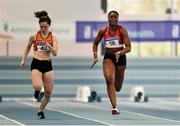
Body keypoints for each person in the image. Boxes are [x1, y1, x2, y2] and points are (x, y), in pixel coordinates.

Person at [20, 10, 58, 119]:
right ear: (39, 26)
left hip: (47, 64)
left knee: (48, 93)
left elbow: (55, 53)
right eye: (41, 26)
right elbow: (27, 48)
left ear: (49, 26)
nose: (43, 28)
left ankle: (40, 110)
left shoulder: (53, 37)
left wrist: (49, 46)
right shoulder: (34, 36)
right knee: (37, 86)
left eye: (45, 26)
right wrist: (23, 59)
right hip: (36, 62)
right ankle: (37, 91)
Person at [91, 10, 131, 115]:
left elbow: (129, 47)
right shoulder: (103, 31)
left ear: (118, 19)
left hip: (121, 58)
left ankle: (114, 91)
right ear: (108, 18)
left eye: (115, 17)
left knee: (117, 87)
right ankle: (114, 107)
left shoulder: (122, 30)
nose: (113, 19)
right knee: (109, 79)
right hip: (109, 57)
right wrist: (95, 56)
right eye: (111, 17)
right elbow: (95, 43)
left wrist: (120, 52)